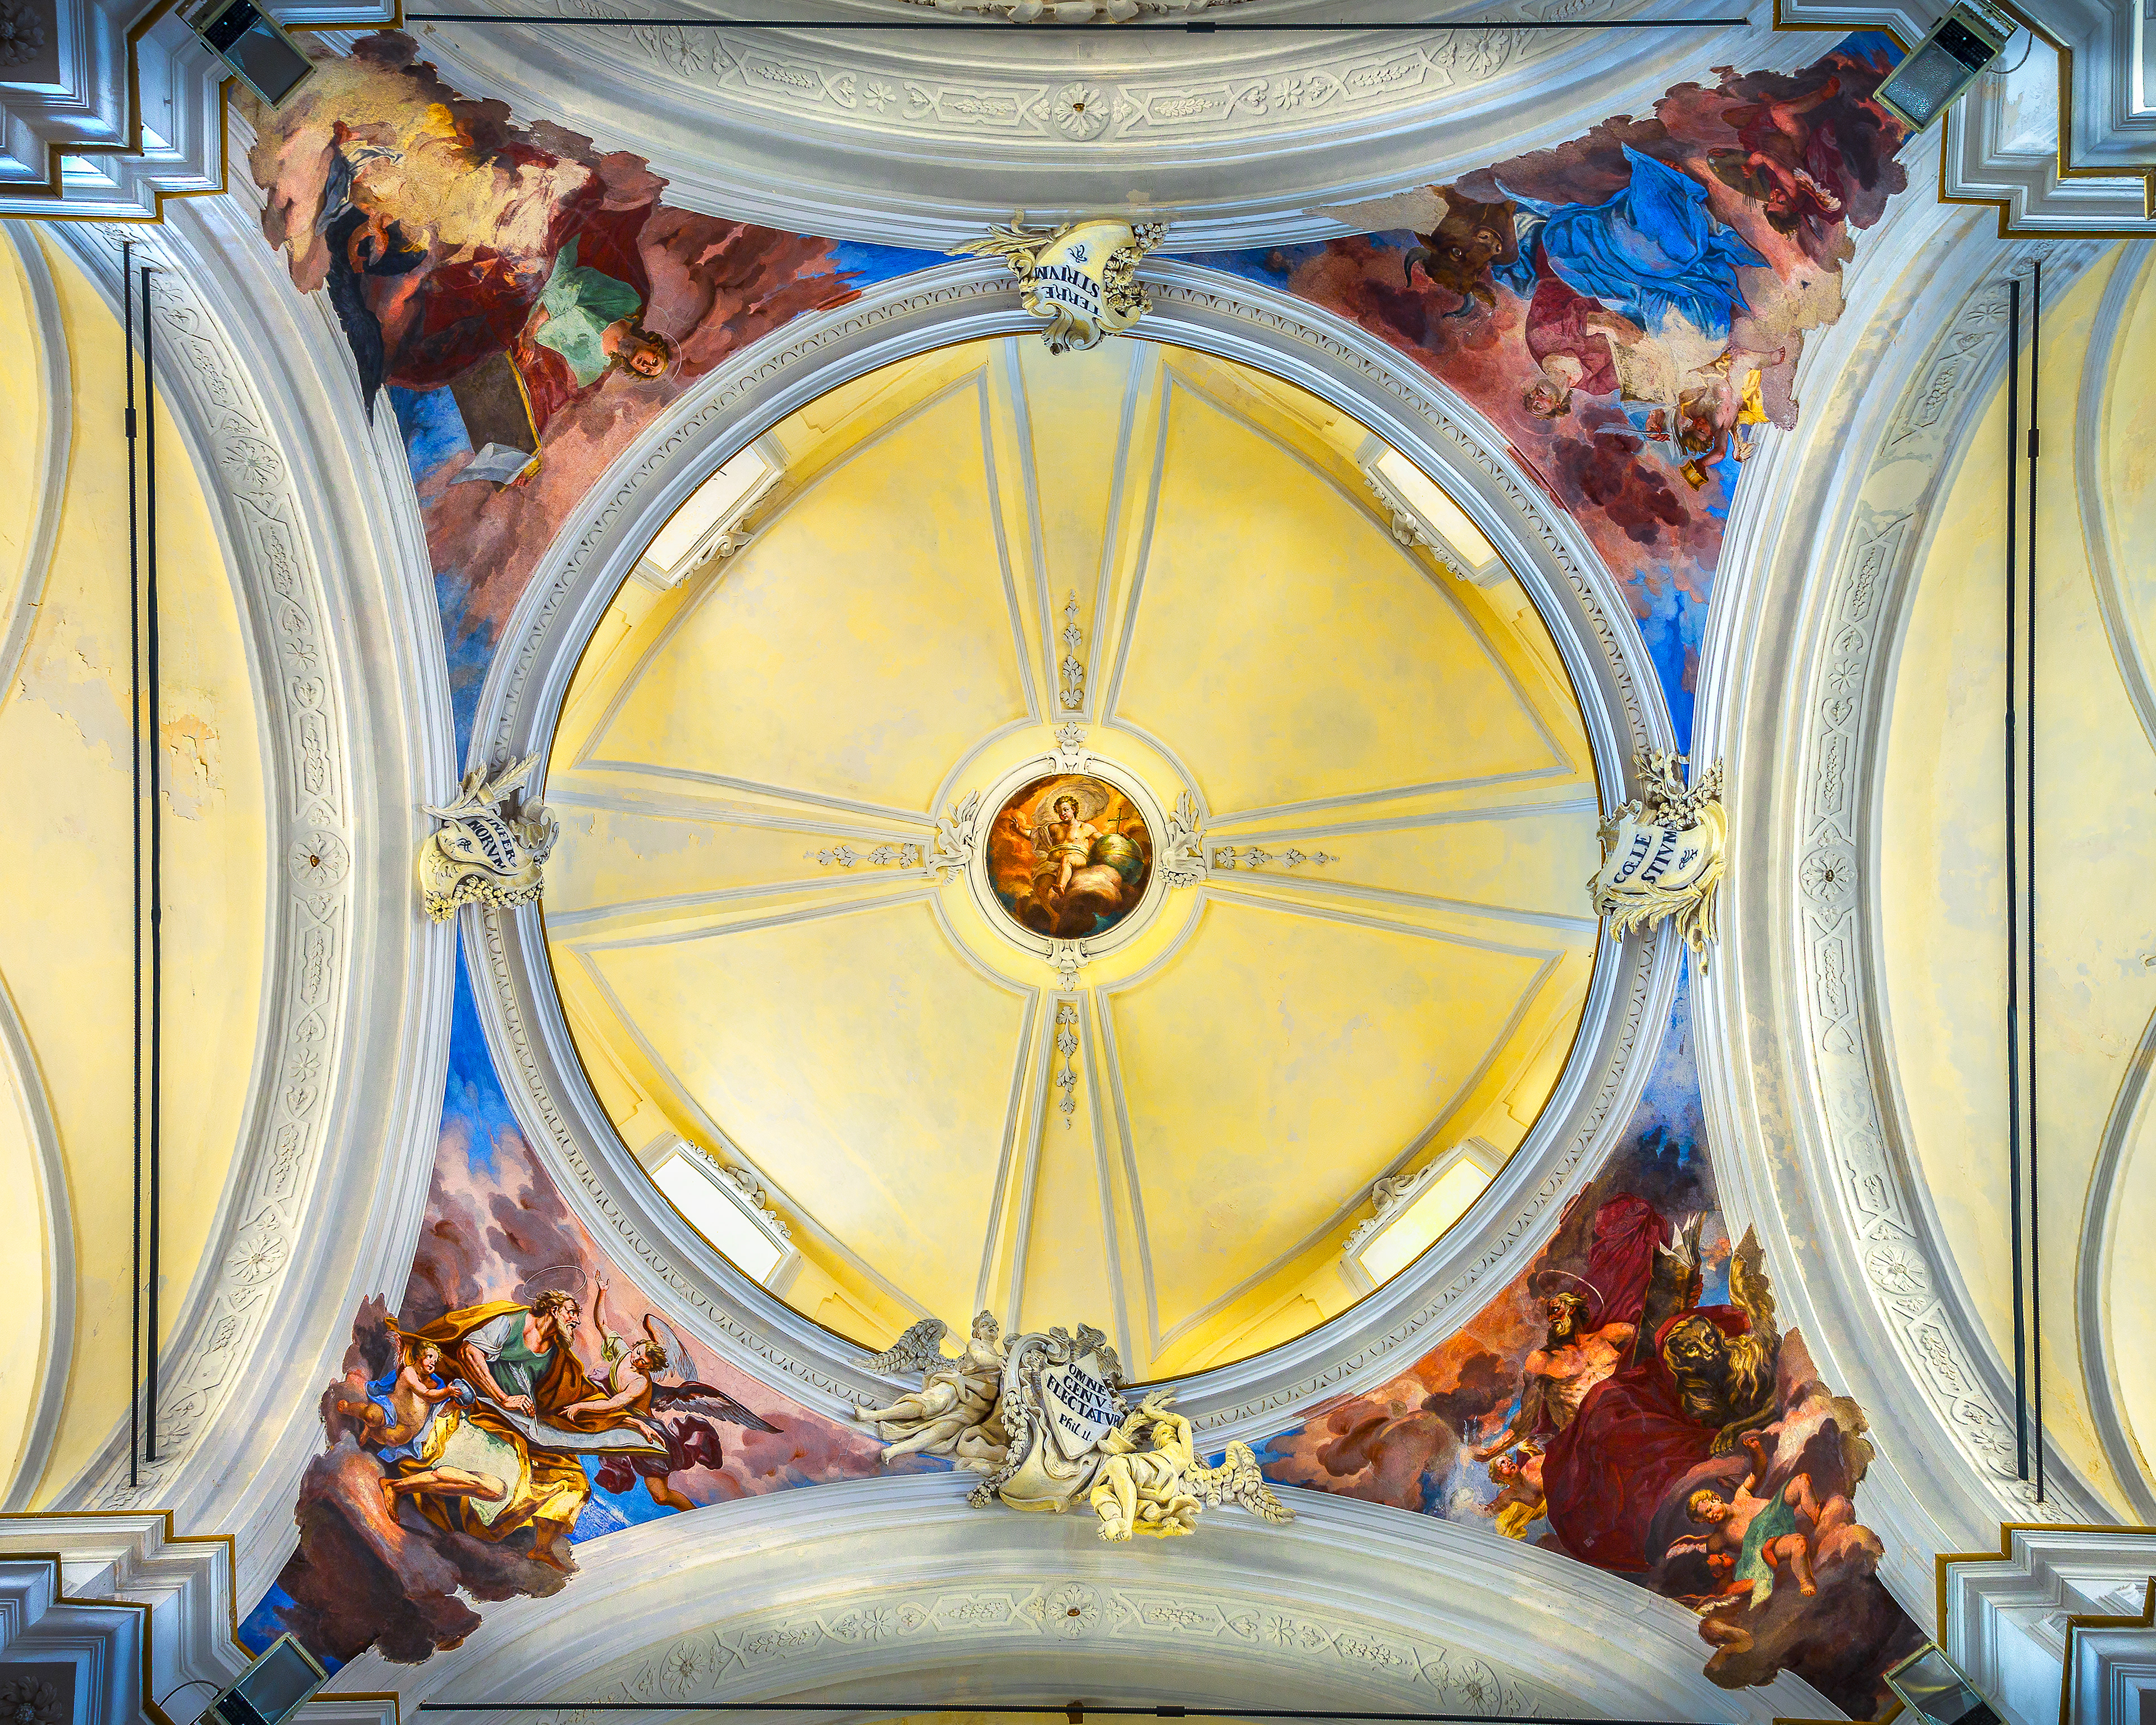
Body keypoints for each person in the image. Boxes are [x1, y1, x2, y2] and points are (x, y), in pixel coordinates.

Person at [1672, 1430, 1852, 1609]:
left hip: (1784, 1514)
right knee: (1799, 1544)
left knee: (1802, 1481)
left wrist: (1755, 1451)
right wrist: (1686, 1546)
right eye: (1705, 1518)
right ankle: (1806, 1580)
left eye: (1709, 1510)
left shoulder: (1741, 1495)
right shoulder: (1720, 1537)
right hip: (1773, 1543)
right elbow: (1704, 1555)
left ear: (1716, 1499)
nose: (1710, 1516)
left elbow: (1758, 1472)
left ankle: (1814, 1515)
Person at [336, 1333, 503, 1519]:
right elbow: (424, 1393)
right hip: (392, 1410)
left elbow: (434, 1409)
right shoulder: (419, 1381)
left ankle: (374, 1436)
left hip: (410, 1429)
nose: (433, 1363)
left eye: (435, 1359)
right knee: (371, 1415)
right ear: (419, 1357)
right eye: (429, 1357)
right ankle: (355, 1413)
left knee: (390, 1437)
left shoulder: (437, 1388)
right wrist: (446, 1393)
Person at [1474, 1292, 1636, 1462]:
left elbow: (1654, 1347)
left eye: (1556, 1310)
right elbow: (1526, 1420)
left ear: (1572, 1308)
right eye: (1549, 1316)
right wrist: (1493, 1450)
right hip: (1594, 1442)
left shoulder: (1611, 1335)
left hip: (1633, 1418)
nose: (1552, 1318)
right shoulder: (1542, 1360)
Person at [1032, 793, 1101, 907]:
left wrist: (1121, 839)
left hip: (1077, 860)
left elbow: (1105, 840)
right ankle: (1053, 914)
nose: (1063, 814)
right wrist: (1018, 829)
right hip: (1053, 863)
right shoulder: (1054, 827)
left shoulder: (1086, 828)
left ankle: (1061, 886)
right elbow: (1034, 836)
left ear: (1073, 809)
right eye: (1060, 812)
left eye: (1066, 810)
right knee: (1041, 888)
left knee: (1066, 859)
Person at [1480, 1444, 1546, 1541]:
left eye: (1509, 1460)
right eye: (1503, 1463)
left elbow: (1554, 1459)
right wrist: (1468, 1504)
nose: (1509, 1463)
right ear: (1499, 1477)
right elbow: (1489, 1511)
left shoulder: (1533, 1465)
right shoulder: (1509, 1495)